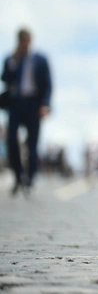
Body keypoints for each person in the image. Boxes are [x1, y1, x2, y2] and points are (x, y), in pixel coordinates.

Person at [2, 28, 52, 196]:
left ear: (30, 40)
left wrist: (45, 104)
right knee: (11, 139)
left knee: (32, 143)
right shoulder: (12, 58)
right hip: (16, 104)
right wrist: (15, 60)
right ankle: (18, 175)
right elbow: (6, 79)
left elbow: (47, 84)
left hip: (33, 104)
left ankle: (29, 180)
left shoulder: (40, 59)